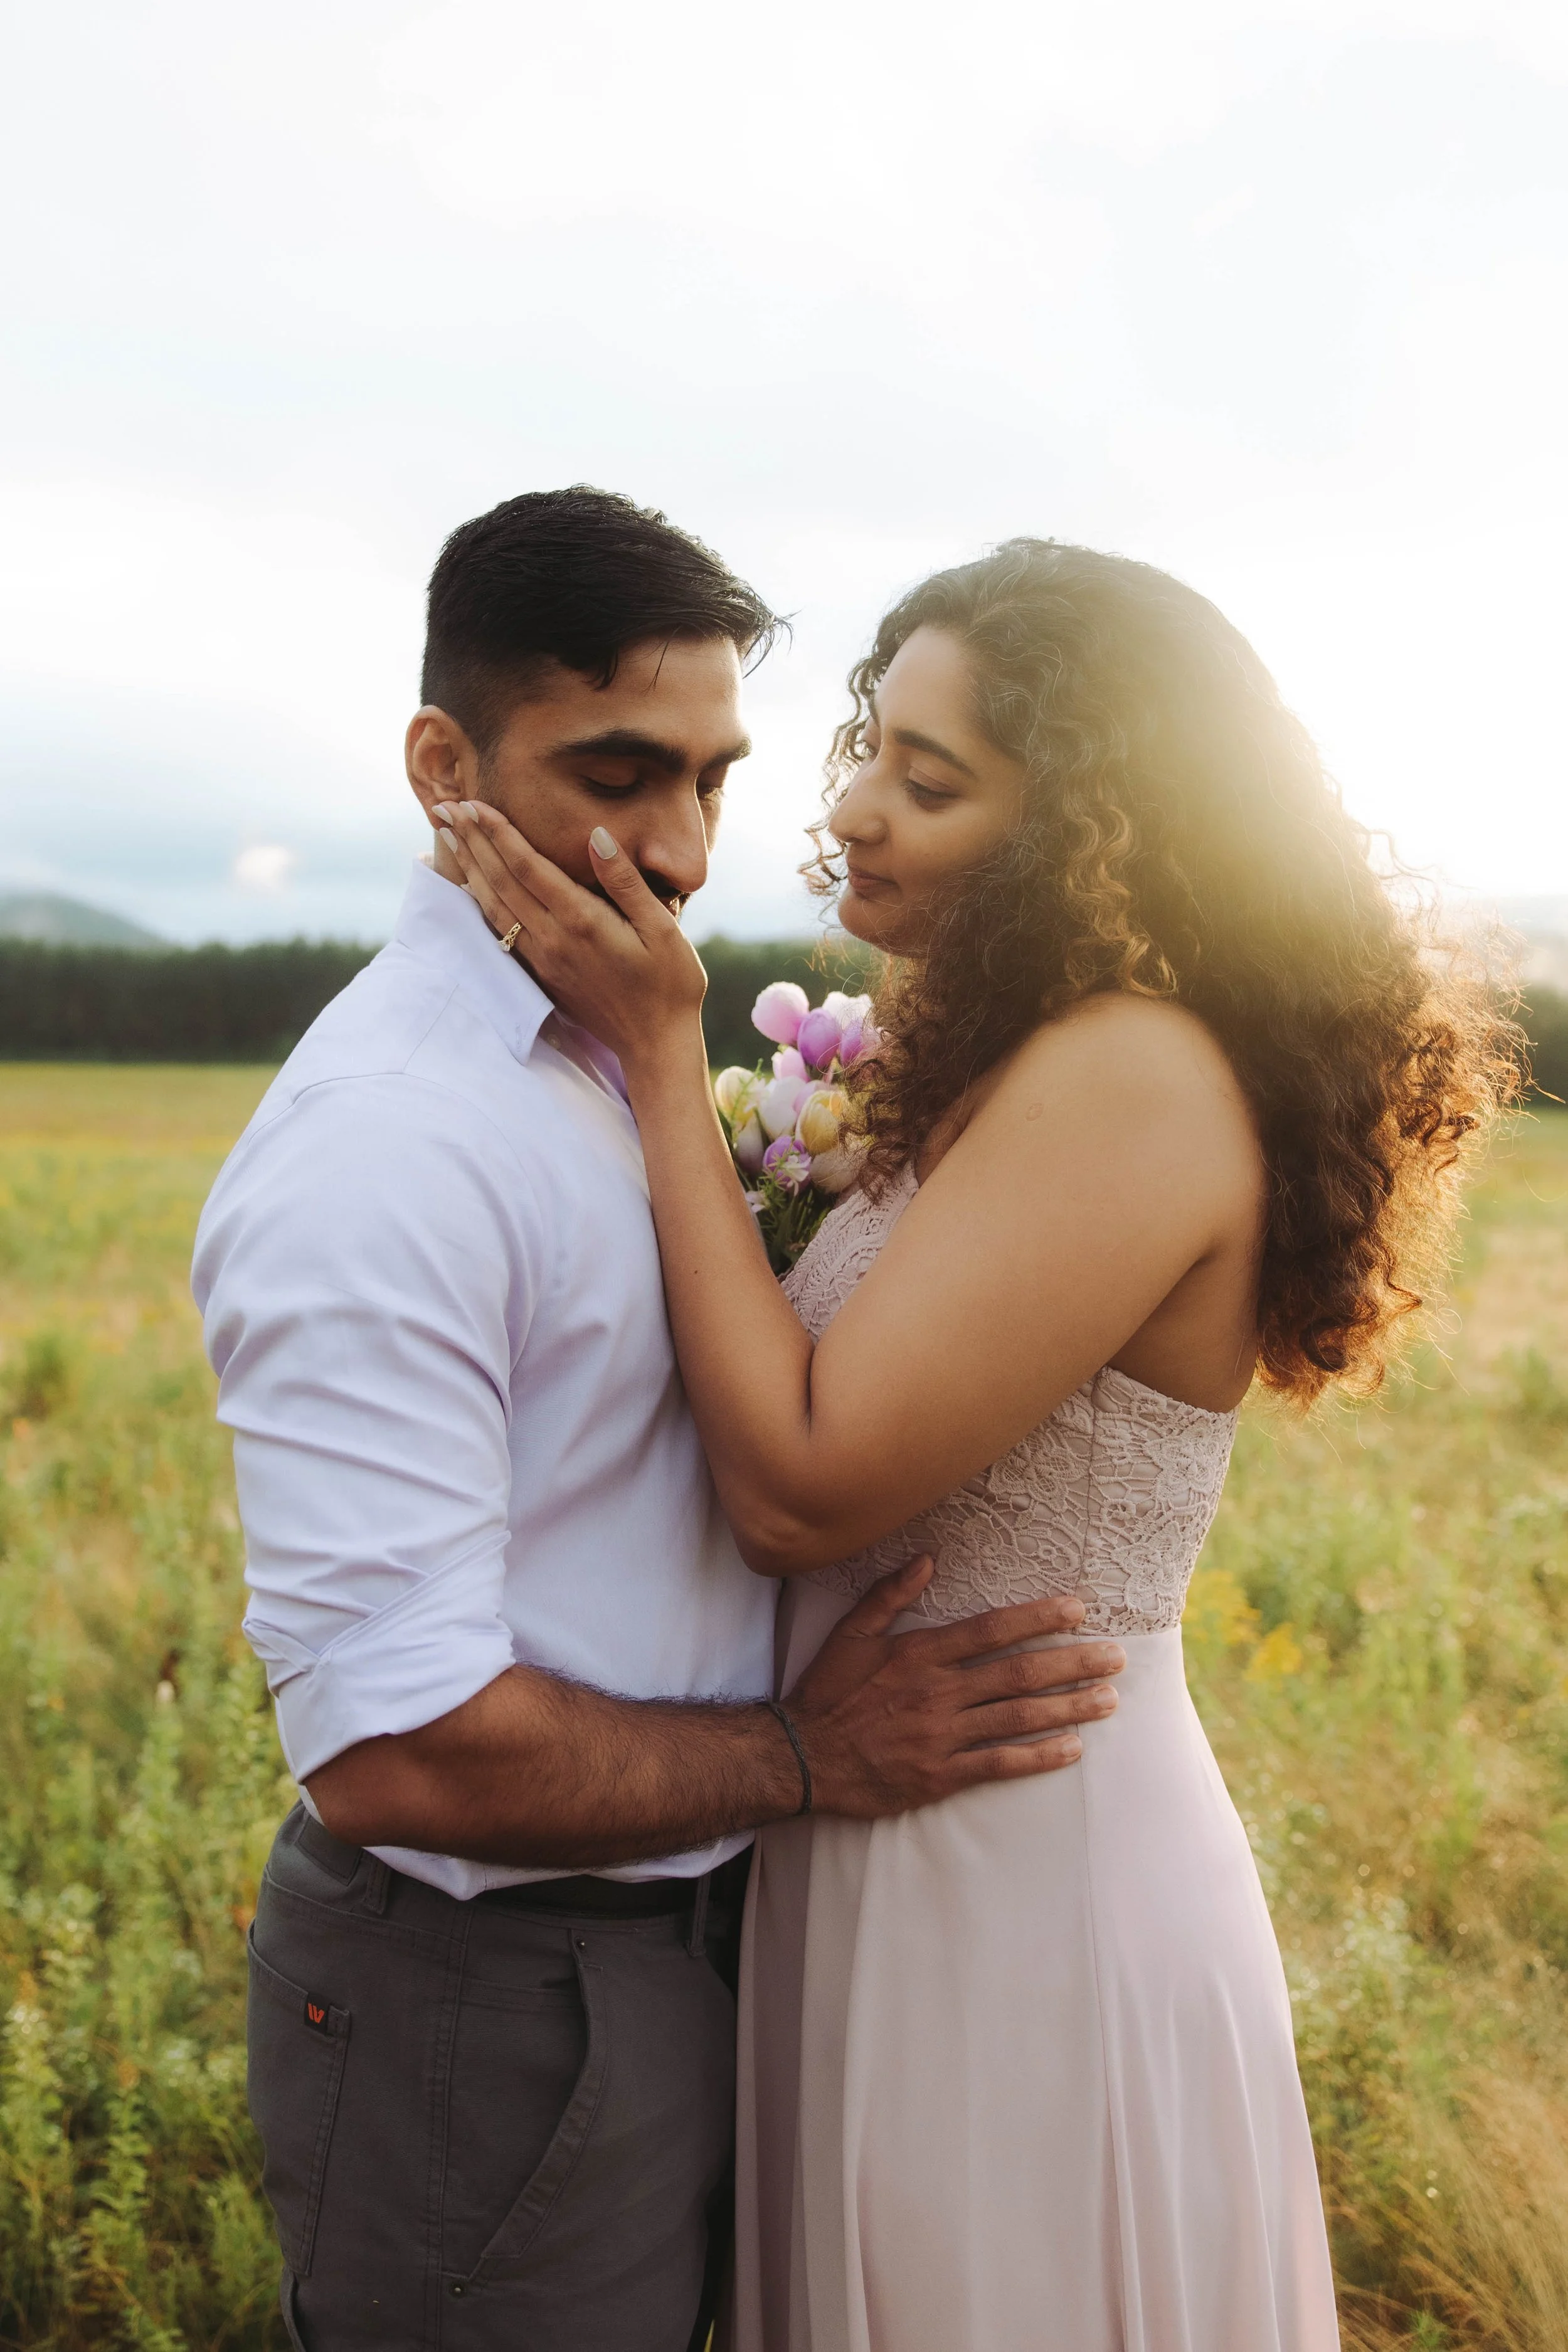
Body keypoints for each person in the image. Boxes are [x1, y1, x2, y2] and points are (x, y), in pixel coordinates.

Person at [440, 535, 1513, 2351]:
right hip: (888, 1829)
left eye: (927, 778)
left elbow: (796, 1482)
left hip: (1025, 1876)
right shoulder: (1011, 1062)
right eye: (870, 741)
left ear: (1093, 829)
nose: (849, 803)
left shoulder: (1132, 1074)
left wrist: (651, 1041)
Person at [192, 493, 1122, 2352]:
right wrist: (798, 1759)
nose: (684, 849)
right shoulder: (387, 1147)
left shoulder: (613, 1056)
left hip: (704, 1955)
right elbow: (396, 1749)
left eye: (711, 777)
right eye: (618, 772)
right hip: (493, 2003)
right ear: (441, 767)